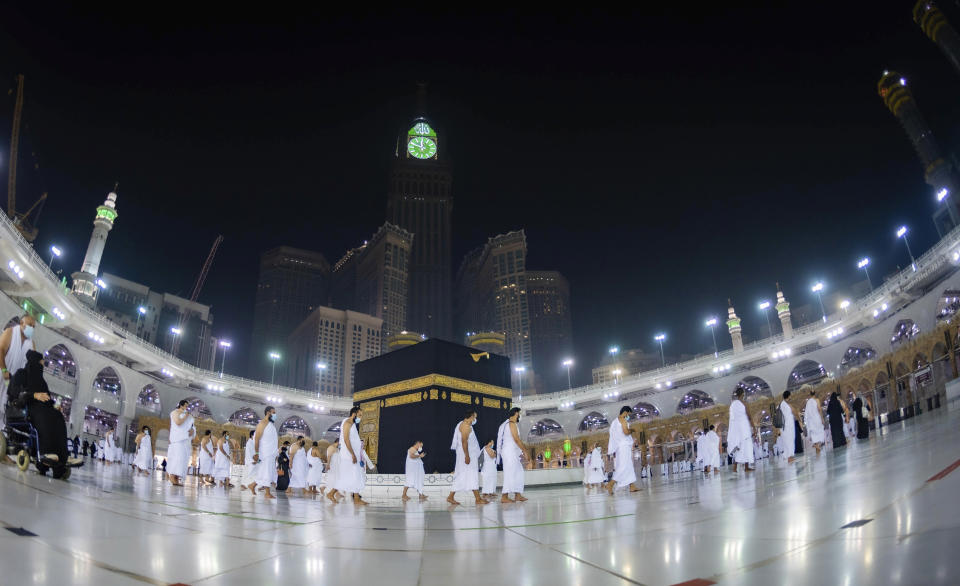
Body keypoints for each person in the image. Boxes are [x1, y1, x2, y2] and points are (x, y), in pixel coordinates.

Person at [11, 349, 69, 478]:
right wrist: (34, 395)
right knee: (45, 416)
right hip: (30, 407)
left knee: (58, 416)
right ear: (35, 362)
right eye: (41, 362)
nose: (43, 364)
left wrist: (55, 406)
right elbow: (16, 395)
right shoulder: (22, 374)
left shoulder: (41, 381)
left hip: (44, 408)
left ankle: (61, 457)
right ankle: (45, 454)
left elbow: (47, 397)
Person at [0, 314, 36, 422]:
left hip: (14, 385)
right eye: (30, 325)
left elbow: (33, 366)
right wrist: (5, 371)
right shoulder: (10, 332)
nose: (32, 328)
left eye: (34, 327)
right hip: (3, 376)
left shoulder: (31, 344)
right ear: (21, 323)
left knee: (6, 414)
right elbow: (0, 350)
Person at [447, 409, 487, 506]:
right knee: (470, 475)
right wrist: (467, 456)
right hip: (467, 456)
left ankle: (451, 497)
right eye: (475, 417)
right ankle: (477, 499)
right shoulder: (465, 427)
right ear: (471, 416)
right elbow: (464, 442)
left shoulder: (466, 425)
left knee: (465, 475)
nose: (475, 419)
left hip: (469, 455)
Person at [333, 406, 367, 505]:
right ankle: (331, 493)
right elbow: (346, 440)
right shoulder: (347, 423)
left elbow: (353, 440)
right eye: (360, 415)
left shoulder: (352, 424)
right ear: (354, 414)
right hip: (348, 455)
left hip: (353, 454)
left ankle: (356, 498)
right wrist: (352, 454)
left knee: (355, 475)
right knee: (347, 476)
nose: (360, 417)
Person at [606, 406, 639, 494]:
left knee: (628, 465)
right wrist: (632, 430)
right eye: (628, 414)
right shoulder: (623, 420)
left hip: (619, 447)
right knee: (623, 466)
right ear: (625, 412)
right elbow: (626, 432)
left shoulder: (614, 422)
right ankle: (611, 484)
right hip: (624, 446)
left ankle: (632, 486)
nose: (628, 416)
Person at [497, 407, 527, 503]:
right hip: (509, 453)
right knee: (510, 474)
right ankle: (504, 497)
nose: (519, 416)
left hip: (512, 453)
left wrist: (520, 451)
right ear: (515, 414)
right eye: (519, 414)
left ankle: (517, 495)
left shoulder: (509, 424)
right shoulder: (511, 424)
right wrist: (525, 451)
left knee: (518, 472)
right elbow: (516, 439)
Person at [250, 406, 279, 499]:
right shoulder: (262, 424)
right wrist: (257, 453)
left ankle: (253, 485)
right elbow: (257, 439)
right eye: (273, 412)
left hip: (270, 453)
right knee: (266, 472)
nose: (275, 415)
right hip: (265, 453)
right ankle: (267, 493)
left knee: (266, 472)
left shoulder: (271, 425)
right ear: (268, 413)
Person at [167, 399, 195, 486]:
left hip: (185, 440)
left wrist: (192, 431)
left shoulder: (187, 415)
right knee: (178, 458)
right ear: (181, 405)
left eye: (187, 406)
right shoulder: (175, 412)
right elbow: (178, 422)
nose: (187, 408)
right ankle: (172, 475)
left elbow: (192, 426)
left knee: (183, 459)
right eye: (186, 406)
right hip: (178, 440)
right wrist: (186, 416)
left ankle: (176, 477)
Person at [727, 388, 755, 472]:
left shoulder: (733, 404)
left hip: (736, 429)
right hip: (744, 427)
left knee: (738, 446)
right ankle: (746, 467)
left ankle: (736, 467)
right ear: (743, 394)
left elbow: (731, 418)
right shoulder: (745, 403)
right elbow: (749, 417)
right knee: (746, 446)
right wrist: (754, 428)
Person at [777, 391, 802, 463]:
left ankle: (789, 456)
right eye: (790, 396)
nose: (791, 397)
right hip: (788, 426)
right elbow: (794, 412)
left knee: (787, 441)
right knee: (790, 440)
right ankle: (790, 457)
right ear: (788, 396)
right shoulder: (787, 404)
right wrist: (799, 419)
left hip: (784, 426)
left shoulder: (781, 404)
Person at [804, 390, 826, 455]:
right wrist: (822, 418)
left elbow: (806, 413)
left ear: (810, 394)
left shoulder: (808, 402)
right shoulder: (817, 400)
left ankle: (817, 448)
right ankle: (817, 445)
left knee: (814, 434)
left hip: (811, 421)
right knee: (820, 432)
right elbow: (819, 409)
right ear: (815, 394)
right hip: (817, 419)